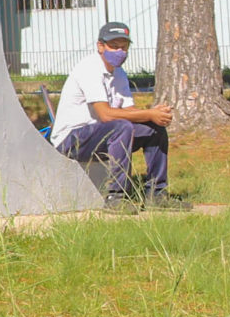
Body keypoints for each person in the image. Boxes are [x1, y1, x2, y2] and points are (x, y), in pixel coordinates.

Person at [47, 19, 178, 212]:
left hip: (101, 136)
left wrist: (154, 114)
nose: (120, 52)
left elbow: (129, 111)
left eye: (124, 47)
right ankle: (116, 197)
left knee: (154, 128)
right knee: (120, 126)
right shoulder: (89, 69)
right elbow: (106, 115)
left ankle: (156, 194)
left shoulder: (119, 73)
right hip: (71, 140)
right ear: (100, 46)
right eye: (114, 46)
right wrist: (149, 113)